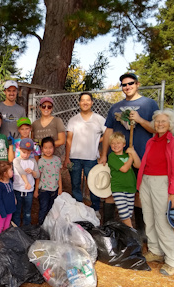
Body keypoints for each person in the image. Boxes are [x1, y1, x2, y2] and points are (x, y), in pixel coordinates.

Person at [99, 73, 159, 232]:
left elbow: (156, 128)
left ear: (137, 84)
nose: (127, 87)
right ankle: (109, 229)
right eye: (124, 85)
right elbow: (108, 131)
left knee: (138, 193)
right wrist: (104, 154)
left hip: (140, 156)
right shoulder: (115, 107)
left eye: (130, 83)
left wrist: (139, 120)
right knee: (111, 192)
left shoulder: (149, 104)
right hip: (118, 158)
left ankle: (140, 232)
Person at [137, 109, 174, 276]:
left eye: (164, 121)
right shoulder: (151, 142)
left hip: (162, 183)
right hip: (147, 181)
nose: (160, 124)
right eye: (157, 121)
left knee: (162, 221)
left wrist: (173, 193)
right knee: (148, 218)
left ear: (170, 124)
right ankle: (156, 250)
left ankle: (172, 260)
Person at [64, 92, 106, 219]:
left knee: (93, 185)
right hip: (74, 158)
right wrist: (67, 157)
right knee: (75, 184)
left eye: (88, 100)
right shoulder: (73, 120)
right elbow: (69, 139)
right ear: (79, 103)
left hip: (91, 158)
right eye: (82, 100)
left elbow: (108, 134)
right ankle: (79, 209)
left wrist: (96, 141)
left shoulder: (99, 119)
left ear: (92, 102)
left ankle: (96, 209)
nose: (85, 102)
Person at [108, 132, 141, 227]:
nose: (115, 145)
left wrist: (133, 153)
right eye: (113, 143)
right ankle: (132, 234)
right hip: (118, 188)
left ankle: (125, 234)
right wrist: (130, 158)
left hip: (130, 188)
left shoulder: (127, 156)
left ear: (124, 145)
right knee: (124, 215)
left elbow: (138, 165)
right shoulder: (112, 157)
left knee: (128, 215)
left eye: (118, 143)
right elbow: (124, 169)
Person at [34, 137, 62, 225]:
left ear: (54, 147)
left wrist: (60, 187)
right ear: (42, 149)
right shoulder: (41, 161)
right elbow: (38, 176)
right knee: (43, 208)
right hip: (44, 189)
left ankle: (50, 225)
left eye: (50, 147)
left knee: (52, 208)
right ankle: (41, 225)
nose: (48, 150)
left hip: (54, 189)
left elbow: (59, 174)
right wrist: (36, 190)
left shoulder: (57, 160)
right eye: (45, 148)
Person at [12, 138, 40, 226]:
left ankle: (26, 228)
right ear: (19, 149)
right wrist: (27, 182)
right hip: (18, 189)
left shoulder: (32, 161)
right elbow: (21, 172)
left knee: (27, 211)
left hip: (29, 191)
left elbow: (37, 175)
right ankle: (16, 229)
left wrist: (32, 172)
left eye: (29, 153)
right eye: (24, 152)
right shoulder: (16, 160)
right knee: (17, 211)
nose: (26, 155)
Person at [0, 161, 17, 237]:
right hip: (2, 211)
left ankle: (5, 240)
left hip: (9, 209)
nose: (12, 171)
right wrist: (2, 212)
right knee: (0, 226)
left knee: (7, 226)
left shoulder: (10, 181)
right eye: (11, 170)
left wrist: (14, 199)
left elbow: (12, 192)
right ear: (5, 173)